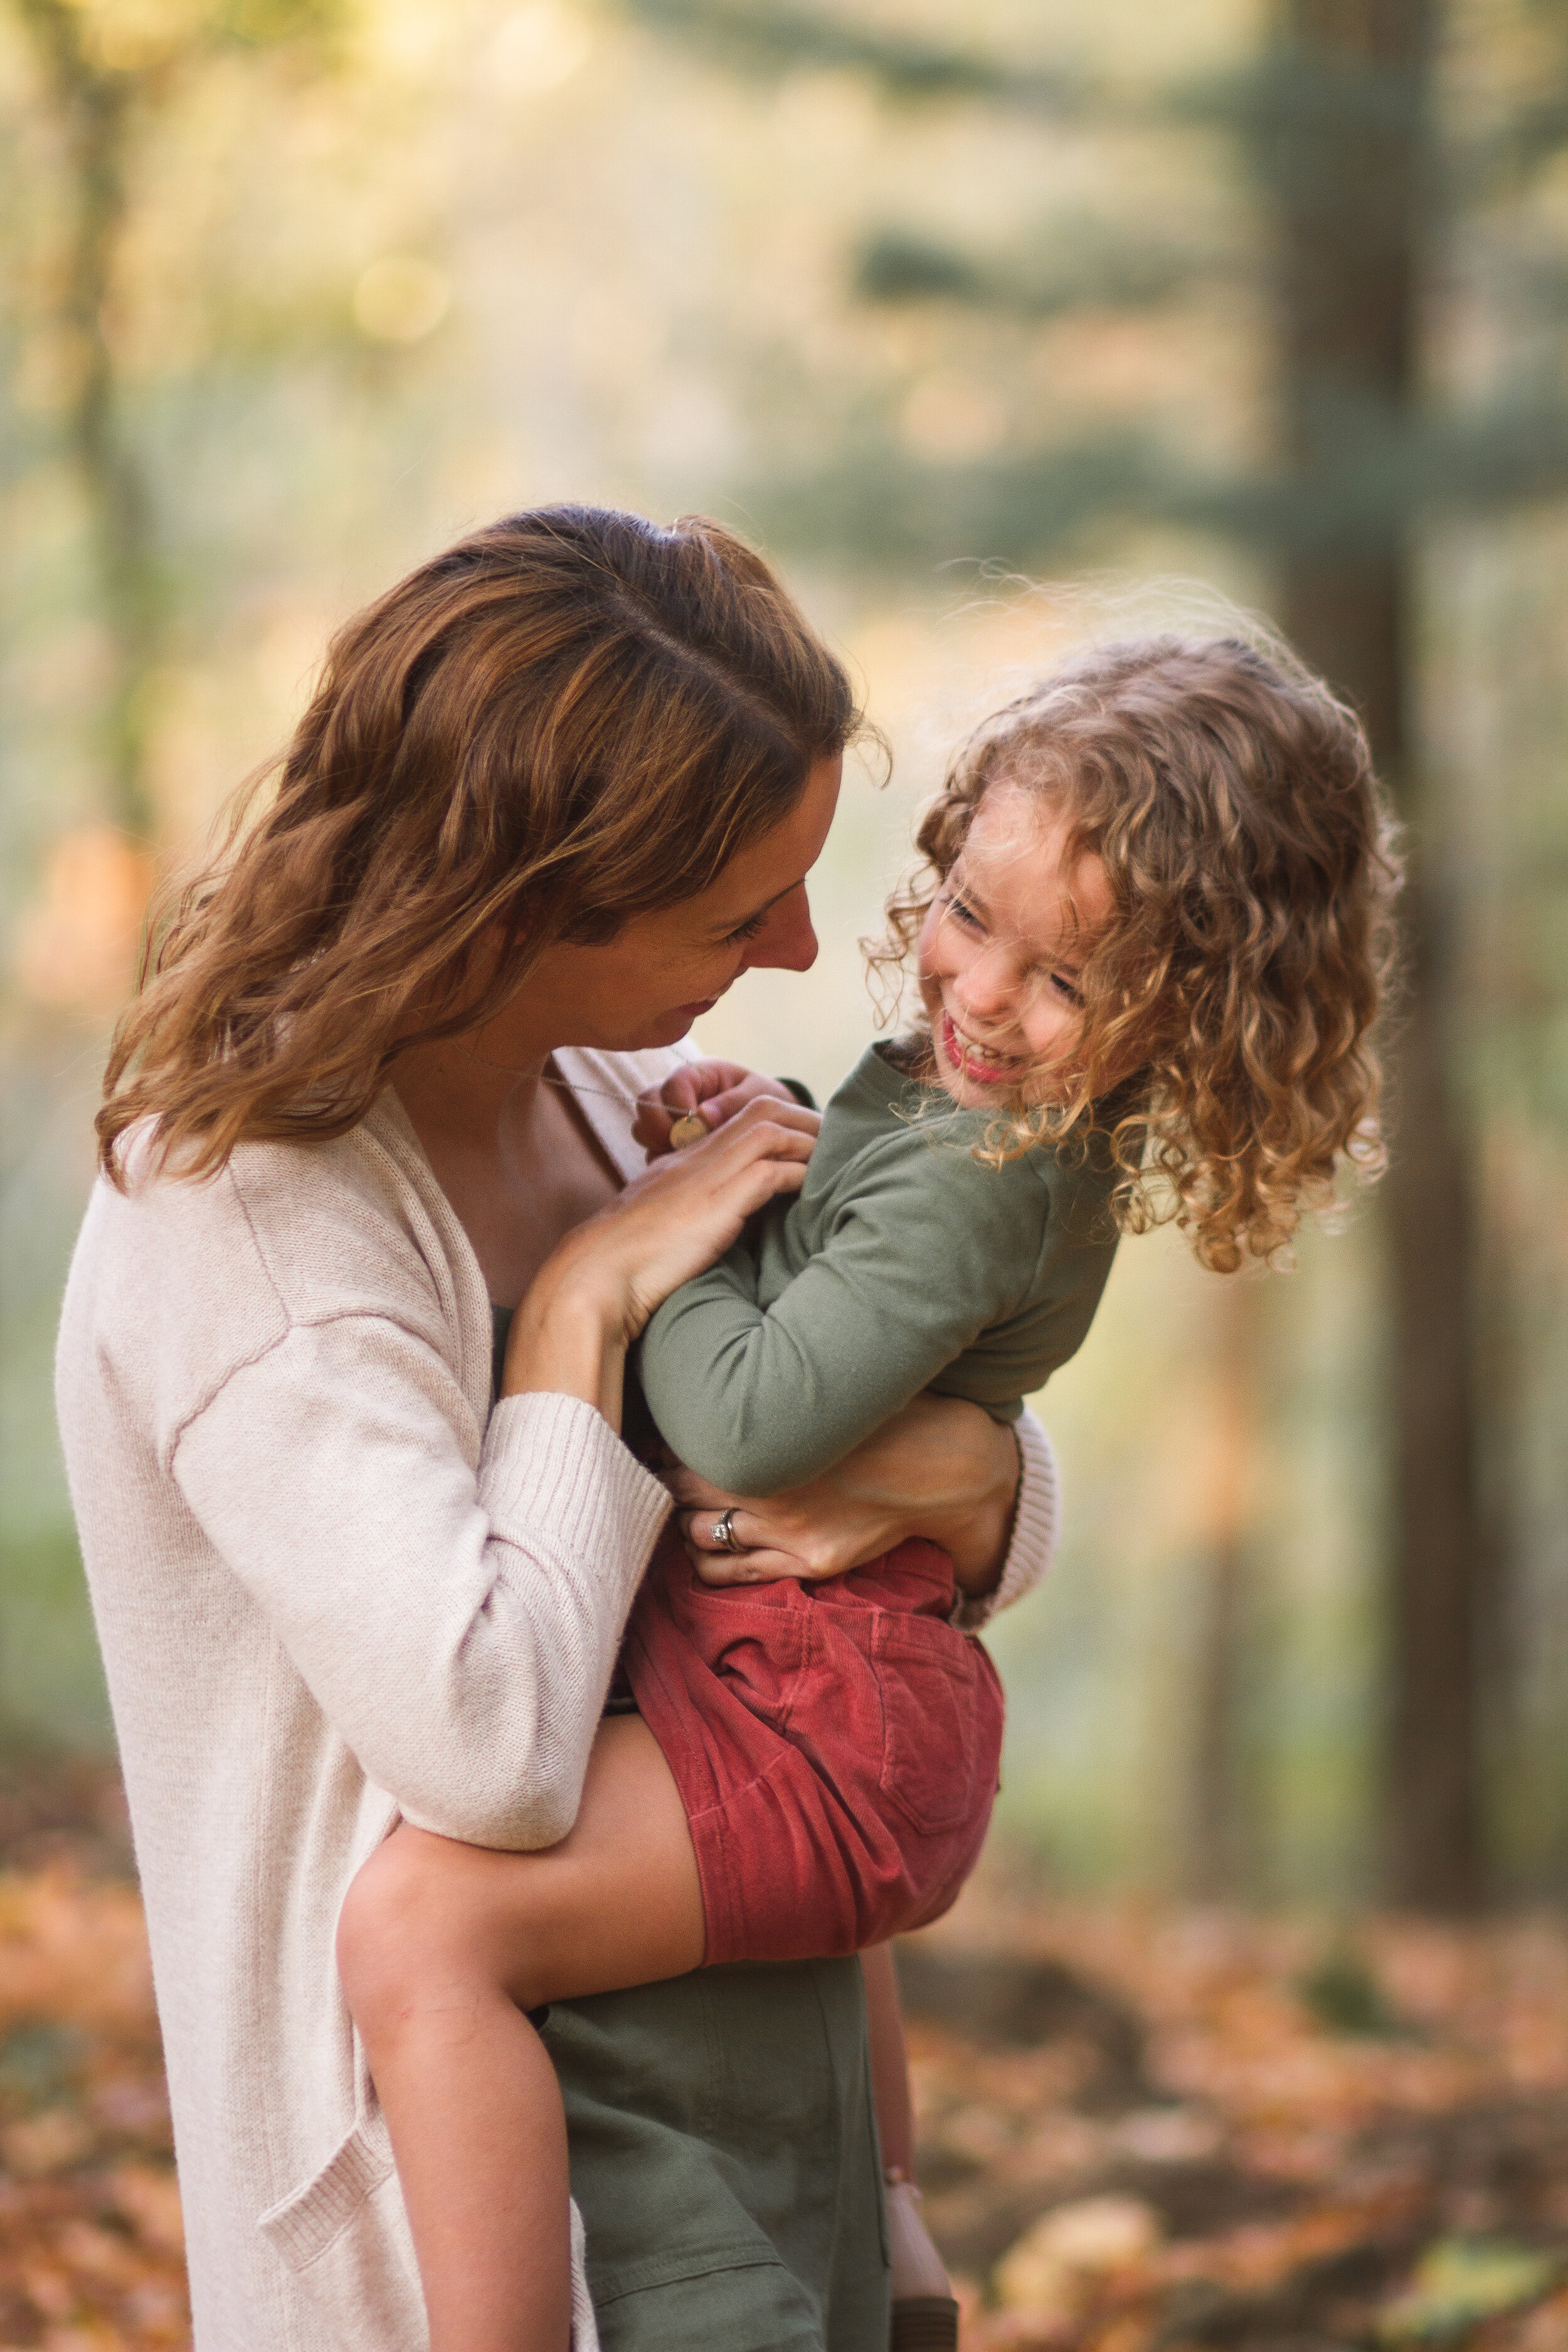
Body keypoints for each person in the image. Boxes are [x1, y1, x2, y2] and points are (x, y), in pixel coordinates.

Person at [54, 504, 1064, 2352]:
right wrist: (583, 1311)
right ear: (515, 903)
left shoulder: (614, 1101)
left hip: (768, 2136)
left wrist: (987, 1482)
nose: (793, 950)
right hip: (444, 2235)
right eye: (729, 909)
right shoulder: (246, 1219)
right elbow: (492, 1746)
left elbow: (875, 1467)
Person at [337, 632, 1400, 2352]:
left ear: (1191, 1011)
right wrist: (769, 1155)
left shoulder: (986, 1183)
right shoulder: (962, 1121)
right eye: (970, 916)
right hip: (833, 1687)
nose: (981, 995)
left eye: (1069, 979)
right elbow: (854, 1297)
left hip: (826, 1719)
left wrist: (645, 1245)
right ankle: (892, 2245)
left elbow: (748, 1427)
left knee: (418, 1933)